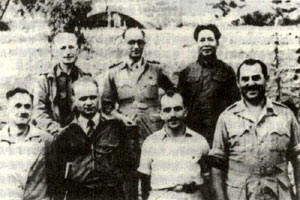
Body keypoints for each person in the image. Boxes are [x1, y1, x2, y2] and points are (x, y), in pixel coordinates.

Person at [210, 58, 300, 200]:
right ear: (238, 83)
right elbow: (216, 167)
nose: (251, 83)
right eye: (245, 79)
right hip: (240, 195)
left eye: (256, 78)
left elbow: (297, 159)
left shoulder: (285, 115)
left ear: (266, 79)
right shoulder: (226, 118)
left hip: (279, 194)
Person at [101, 27, 174, 200]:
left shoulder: (156, 70)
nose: (135, 46)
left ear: (144, 44)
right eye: (131, 42)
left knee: (154, 182)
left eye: (139, 42)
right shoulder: (114, 73)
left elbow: (173, 94)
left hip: (153, 135)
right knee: (129, 184)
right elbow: (106, 107)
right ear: (123, 44)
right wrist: (121, 118)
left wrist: (160, 114)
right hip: (126, 138)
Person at [51, 77, 128, 200]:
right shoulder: (65, 135)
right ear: (74, 100)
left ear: (99, 97)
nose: (89, 103)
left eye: (92, 97)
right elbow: (58, 179)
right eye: (83, 99)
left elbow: (128, 169)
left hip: (110, 195)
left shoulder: (117, 128)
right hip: (78, 195)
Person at [138, 90, 210, 200]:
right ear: (161, 114)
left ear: (185, 111)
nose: (173, 115)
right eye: (167, 110)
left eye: (177, 109)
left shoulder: (200, 141)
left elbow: (207, 178)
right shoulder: (151, 142)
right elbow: (143, 181)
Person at [177, 24, 240, 146]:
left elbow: (235, 104)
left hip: (219, 132)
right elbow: (180, 104)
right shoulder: (186, 72)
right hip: (192, 133)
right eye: (202, 40)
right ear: (197, 43)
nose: (206, 43)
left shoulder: (227, 71)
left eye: (210, 39)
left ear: (217, 43)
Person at [0, 88, 54, 200]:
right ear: (7, 110)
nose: (23, 111)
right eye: (18, 106)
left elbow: (55, 179)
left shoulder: (46, 140)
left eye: (27, 106)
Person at [33, 31, 90, 135]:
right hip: (52, 133)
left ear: (77, 50)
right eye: (63, 48)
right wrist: (57, 130)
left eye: (71, 47)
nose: (68, 52)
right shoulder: (44, 80)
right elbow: (38, 112)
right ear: (55, 51)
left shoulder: (85, 78)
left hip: (80, 132)